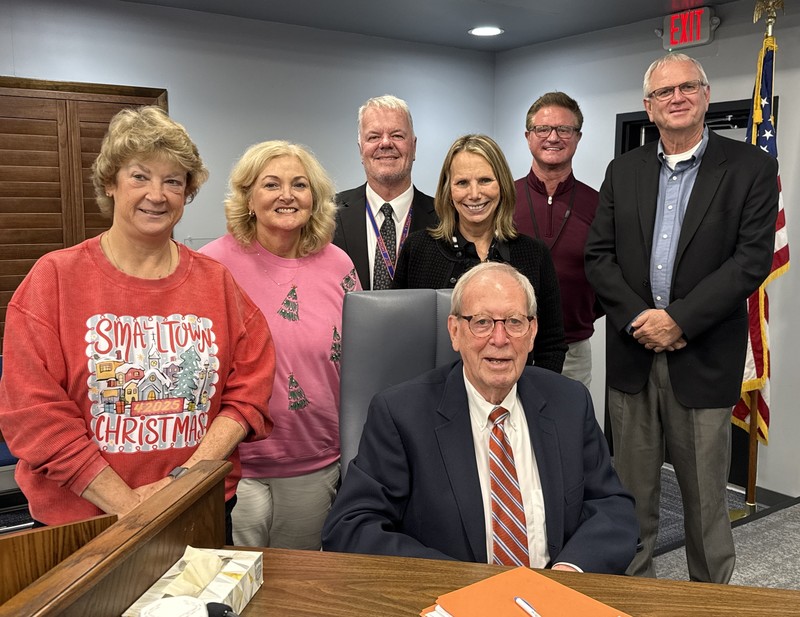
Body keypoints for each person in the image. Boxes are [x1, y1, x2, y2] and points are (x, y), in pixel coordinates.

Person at [0, 107, 275, 542]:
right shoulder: (53, 279)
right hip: (80, 525)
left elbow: (249, 394)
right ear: (110, 182)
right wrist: (130, 508)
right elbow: (34, 417)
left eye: (173, 181)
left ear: (187, 192)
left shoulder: (216, 282)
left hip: (197, 508)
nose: (157, 194)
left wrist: (182, 483)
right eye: (140, 176)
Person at [585, 53, 779, 583]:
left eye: (687, 87)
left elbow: (750, 260)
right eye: (663, 92)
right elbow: (598, 257)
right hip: (633, 358)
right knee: (630, 498)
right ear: (648, 107)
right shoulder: (622, 170)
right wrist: (640, 319)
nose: (677, 97)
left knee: (705, 507)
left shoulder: (750, 169)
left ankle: (710, 601)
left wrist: (679, 321)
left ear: (706, 95)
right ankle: (635, 596)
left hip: (704, 357)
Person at [322, 262, 638, 574]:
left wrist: (571, 569)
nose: (499, 339)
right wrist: (465, 583)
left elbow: (612, 506)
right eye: (482, 322)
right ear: (455, 331)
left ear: (532, 333)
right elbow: (352, 526)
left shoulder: (569, 402)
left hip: (555, 593)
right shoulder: (400, 414)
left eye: (514, 322)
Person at [200, 140, 360, 550]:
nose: (287, 195)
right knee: (235, 583)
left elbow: (360, 357)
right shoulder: (210, 264)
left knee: (298, 582)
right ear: (249, 198)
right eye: (271, 184)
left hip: (315, 457)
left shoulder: (339, 263)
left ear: (315, 199)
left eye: (299, 185)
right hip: (235, 461)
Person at [393, 134, 567, 374]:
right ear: (448, 189)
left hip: (512, 397)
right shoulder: (418, 249)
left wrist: (533, 396)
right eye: (462, 183)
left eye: (485, 180)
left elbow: (551, 345)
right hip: (432, 398)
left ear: (502, 185)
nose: (474, 194)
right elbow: (401, 338)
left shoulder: (534, 254)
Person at [514, 92, 601, 387]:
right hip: (507, 344)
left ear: (577, 137)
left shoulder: (598, 204)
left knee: (569, 430)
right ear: (528, 136)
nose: (553, 137)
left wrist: (582, 313)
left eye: (564, 129)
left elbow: (609, 272)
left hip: (572, 349)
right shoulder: (501, 199)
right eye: (543, 129)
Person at [333, 95, 437, 290]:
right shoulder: (328, 213)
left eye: (397, 135)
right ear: (360, 149)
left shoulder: (446, 217)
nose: (386, 143)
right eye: (373, 137)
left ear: (414, 147)